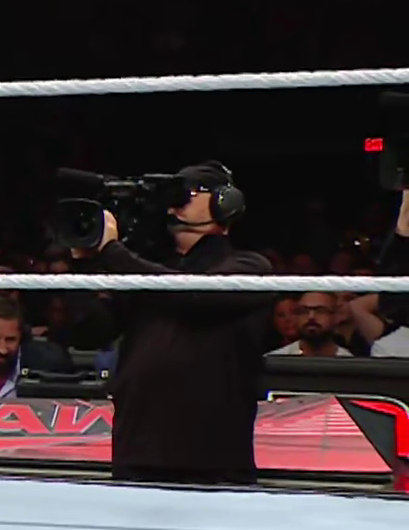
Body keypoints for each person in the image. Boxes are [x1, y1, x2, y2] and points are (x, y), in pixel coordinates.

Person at [76, 162, 273, 485]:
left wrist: (113, 253)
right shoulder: (144, 270)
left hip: (212, 457)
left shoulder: (248, 266)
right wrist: (84, 267)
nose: (176, 203)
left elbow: (194, 296)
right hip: (137, 449)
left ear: (224, 202)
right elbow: (91, 332)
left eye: (188, 194)